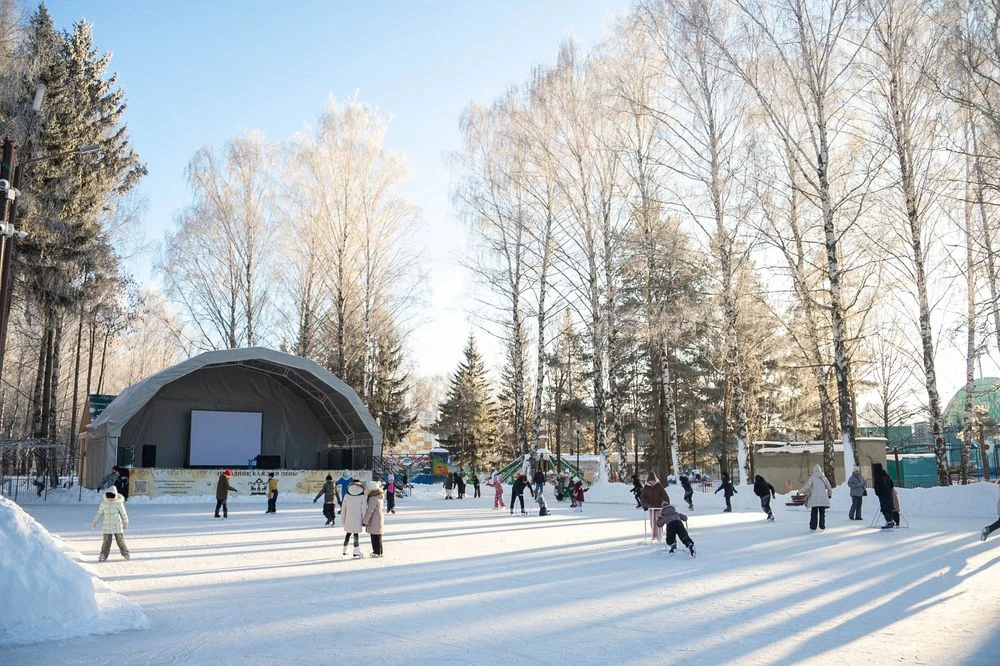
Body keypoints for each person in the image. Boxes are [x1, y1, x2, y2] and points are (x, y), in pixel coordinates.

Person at [92, 486, 129, 561]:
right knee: (106, 542)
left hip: (117, 525)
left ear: (115, 496)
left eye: (112, 497)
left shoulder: (118, 503)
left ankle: (125, 553)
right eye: (109, 497)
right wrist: (95, 521)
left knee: (120, 541)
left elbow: (123, 513)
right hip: (107, 526)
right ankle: (103, 555)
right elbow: (99, 513)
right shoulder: (104, 503)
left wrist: (125, 522)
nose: (110, 499)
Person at [799, 464, 833, 531]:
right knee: (822, 513)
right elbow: (829, 487)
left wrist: (799, 492)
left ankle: (813, 526)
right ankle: (822, 526)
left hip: (814, 499)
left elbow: (807, 486)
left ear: (814, 471)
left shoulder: (812, 478)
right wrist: (829, 495)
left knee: (814, 513)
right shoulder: (824, 478)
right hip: (823, 499)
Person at [640, 473, 670, 541]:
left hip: (659, 507)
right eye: (650, 481)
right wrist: (644, 505)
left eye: (653, 480)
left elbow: (665, 495)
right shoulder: (646, 487)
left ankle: (659, 535)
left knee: (658, 521)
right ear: (648, 480)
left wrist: (666, 503)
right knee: (652, 522)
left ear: (655, 480)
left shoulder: (659, 486)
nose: (652, 482)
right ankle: (654, 535)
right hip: (651, 507)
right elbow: (643, 498)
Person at [342, 479, 366, 558]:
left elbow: (343, 509)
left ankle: (344, 550)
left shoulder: (346, 495)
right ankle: (356, 551)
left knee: (348, 533)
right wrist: (365, 520)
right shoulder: (362, 497)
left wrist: (343, 520)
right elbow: (364, 510)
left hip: (348, 518)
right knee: (356, 534)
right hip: (357, 519)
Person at [872, 463, 899, 529]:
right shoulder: (887, 475)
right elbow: (892, 484)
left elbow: (876, 487)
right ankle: (891, 521)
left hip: (882, 495)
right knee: (889, 508)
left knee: (884, 509)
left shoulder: (877, 476)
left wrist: (878, 493)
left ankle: (889, 521)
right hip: (889, 494)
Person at [362, 480, 385, 557]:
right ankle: (380, 551)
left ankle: (377, 552)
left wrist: (365, 521)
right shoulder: (379, 496)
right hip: (378, 517)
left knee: (374, 536)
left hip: (374, 519)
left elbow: (370, 511)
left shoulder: (373, 498)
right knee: (378, 536)